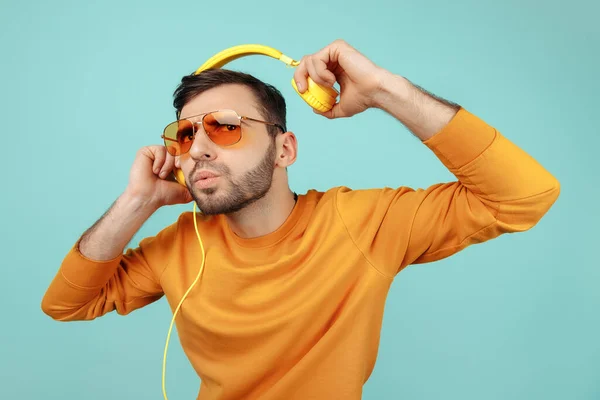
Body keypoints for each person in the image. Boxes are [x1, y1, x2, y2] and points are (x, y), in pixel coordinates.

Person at [41, 39, 560, 399]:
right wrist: (137, 203)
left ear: (284, 147)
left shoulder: (360, 223)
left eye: (223, 127)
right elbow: (63, 305)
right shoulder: (180, 244)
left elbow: (525, 197)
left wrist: (385, 90)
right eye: (185, 134)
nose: (196, 148)